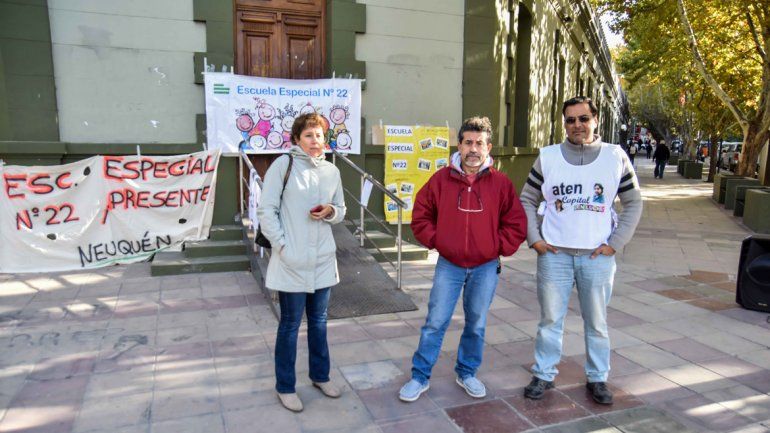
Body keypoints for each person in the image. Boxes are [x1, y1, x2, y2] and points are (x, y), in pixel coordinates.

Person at [519, 96, 642, 405]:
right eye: (571, 120)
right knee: (550, 320)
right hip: (555, 255)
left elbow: (633, 202)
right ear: (564, 123)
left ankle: (598, 378)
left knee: (597, 322)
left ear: (595, 120)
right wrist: (534, 239)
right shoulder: (548, 157)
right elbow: (527, 199)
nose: (577, 125)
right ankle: (544, 373)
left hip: (595, 258)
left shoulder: (615, 157)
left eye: (583, 119)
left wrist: (615, 244)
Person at [398, 116, 527, 402]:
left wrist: (497, 247)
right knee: (436, 321)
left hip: (485, 267)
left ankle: (467, 372)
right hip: (450, 265)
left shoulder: (500, 184)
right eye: (468, 142)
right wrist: (440, 241)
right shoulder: (441, 180)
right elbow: (420, 215)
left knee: (476, 323)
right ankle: (420, 377)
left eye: (479, 143)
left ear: (488, 147)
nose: (473, 148)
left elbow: (516, 222)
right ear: (459, 144)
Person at [256, 112, 346, 412]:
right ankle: (285, 386)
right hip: (291, 260)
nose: (315, 141)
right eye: (309, 135)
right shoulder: (284, 165)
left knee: (319, 323)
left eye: (319, 135)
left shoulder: (331, 171)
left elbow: (342, 210)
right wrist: (283, 247)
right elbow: (266, 211)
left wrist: (330, 210)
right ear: (297, 139)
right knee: (291, 324)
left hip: (322, 258)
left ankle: (320, 376)